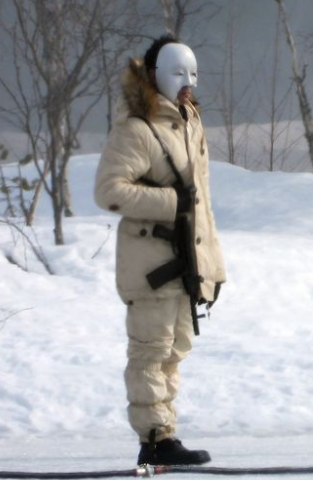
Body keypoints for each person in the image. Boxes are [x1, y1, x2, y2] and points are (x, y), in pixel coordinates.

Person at [94, 35, 226, 466]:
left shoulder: (188, 122)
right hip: (151, 262)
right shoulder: (137, 128)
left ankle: (165, 433)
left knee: (175, 349)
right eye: (177, 72)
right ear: (154, 75)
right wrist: (168, 203)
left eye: (193, 73)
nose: (188, 83)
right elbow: (108, 190)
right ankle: (153, 438)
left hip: (184, 264)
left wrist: (212, 265)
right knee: (151, 351)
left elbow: (201, 202)